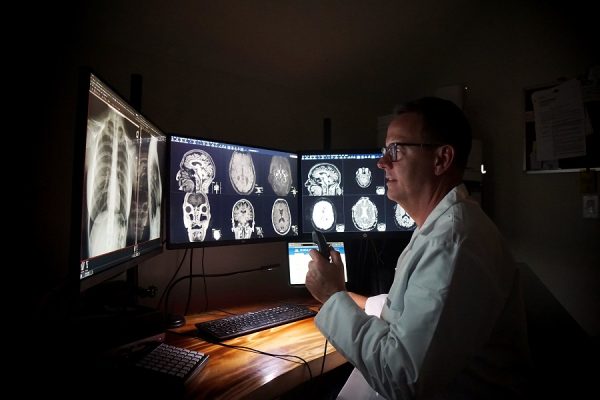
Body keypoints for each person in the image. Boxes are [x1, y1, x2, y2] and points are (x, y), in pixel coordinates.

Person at [305, 97, 531, 399]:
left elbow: (402, 378)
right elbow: (410, 308)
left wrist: (332, 298)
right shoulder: (442, 225)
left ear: (441, 159)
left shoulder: (452, 242)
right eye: (384, 151)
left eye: (396, 150)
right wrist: (345, 295)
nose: (381, 162)